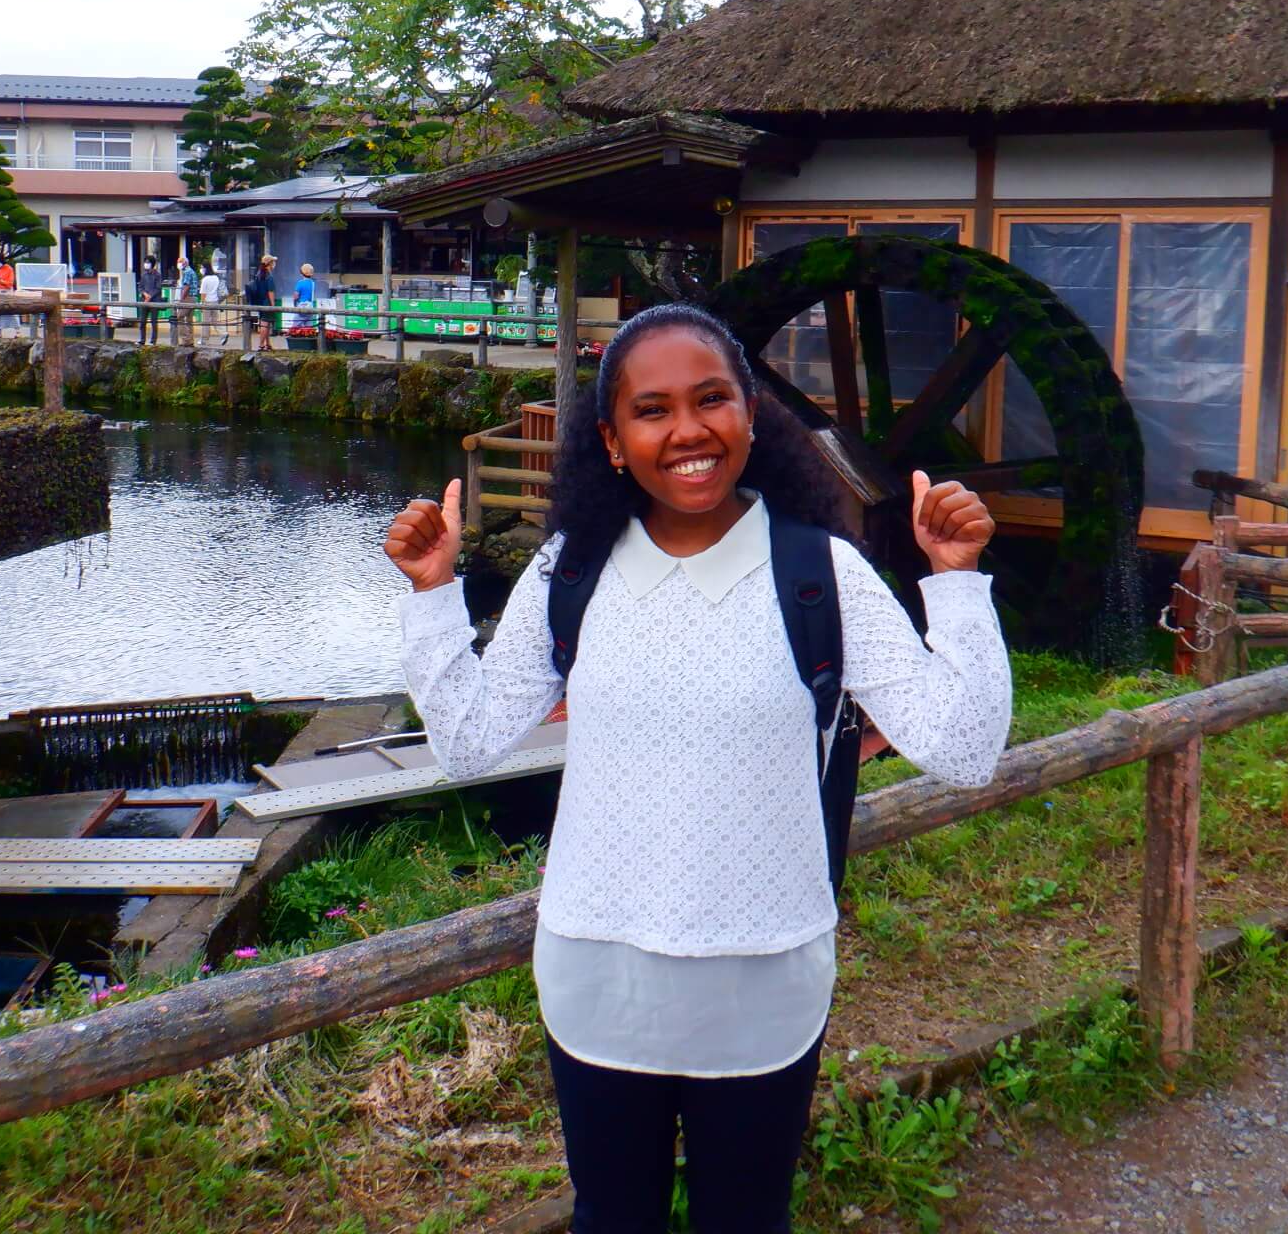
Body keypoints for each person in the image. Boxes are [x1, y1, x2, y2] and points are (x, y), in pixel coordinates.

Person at [384, 303, 1012, 1233]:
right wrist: (435, 596)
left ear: (751, 416)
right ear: (611, 440)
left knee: (746, 1221)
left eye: (712, 399)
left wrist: (954, 579)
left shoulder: (822, 574)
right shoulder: (572, 571)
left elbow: (964, 749)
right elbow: (471, 740)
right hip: (600, 983)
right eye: (652, 409)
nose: (687, 430)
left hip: (764, 984)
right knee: (612, 1219)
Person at [242, 254, 278, 351]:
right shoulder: (269, 277)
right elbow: (270, 292)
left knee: (264, 324)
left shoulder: (259, 274)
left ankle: (268, 344)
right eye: (273, 262)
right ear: (270, 264)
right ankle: (261, 345)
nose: (274, 264)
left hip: (260, 302)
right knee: (265, 325)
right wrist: (273, 305)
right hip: (267, 303)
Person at [169, 255, 198, 345]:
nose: (179, 264)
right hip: (193, 297)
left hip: (188, 298)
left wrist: (181, 299)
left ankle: (186, 339)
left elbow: (186, 286)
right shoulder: (191, 271)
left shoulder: (187, 272)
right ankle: (190, 340)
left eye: (180, 262)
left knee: (179, 317)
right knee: (189, 320)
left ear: (185, 263)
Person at [135, 256, 163, 346]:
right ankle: (142, 339)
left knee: (154, 321)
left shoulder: (157, 275)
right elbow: (140, 287)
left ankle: (153, 340)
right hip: (144, 301)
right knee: (142, 321)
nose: (146, 264)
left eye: (148, 262)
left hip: (154, 301)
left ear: (152, 264)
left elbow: (158, 288)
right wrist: (144, 294)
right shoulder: (143, 275)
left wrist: (150, 296)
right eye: (145, 262)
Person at [199, 265, 227, 346]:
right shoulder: (216, 278)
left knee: (205, 321)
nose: (201, 269)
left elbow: (203, 293)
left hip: (207, 302)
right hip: (215, 301)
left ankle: (204, 339)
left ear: (205, 269)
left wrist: (202, 303)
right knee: (215, 320)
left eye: (202, 267)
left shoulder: (205, 279)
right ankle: (223, 333)